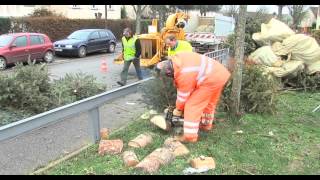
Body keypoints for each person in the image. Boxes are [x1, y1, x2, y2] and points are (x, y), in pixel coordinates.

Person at [156, 52, 231, 143]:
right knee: (209, 103)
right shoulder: (178, 58)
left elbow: (183, 96)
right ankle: (205, 125)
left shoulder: (184, 73)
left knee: (192, 105)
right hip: (219, 74)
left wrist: (178, 110)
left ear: (169, 72)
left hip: (211, 78)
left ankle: (189, 137)